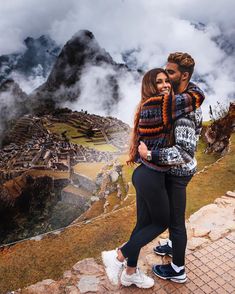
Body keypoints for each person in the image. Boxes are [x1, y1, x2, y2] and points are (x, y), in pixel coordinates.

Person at [102, 61, 204, 288]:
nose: (166, 83)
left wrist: (148, 155)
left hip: (148, 174)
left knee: (144, 224)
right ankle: (118, 256)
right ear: (150, 86)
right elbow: (196, 97)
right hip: (152, 174)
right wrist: (151, 155)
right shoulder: (160, 105)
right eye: (160, 81)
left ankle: (129, 272)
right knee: (162, 222)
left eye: (168, 78)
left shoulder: (150, 105)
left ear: (182, 76)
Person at [138, 52, 203, 283]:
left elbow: (184, 153)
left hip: (177, 173)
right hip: (173, 171)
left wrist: (151, 154)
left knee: (175, 221)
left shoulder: (185, 109)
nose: (166, 75)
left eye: (171, 72)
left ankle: (178, 270)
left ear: (184, 76)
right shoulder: (186, 96)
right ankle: (173, 245)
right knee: (172, 218)